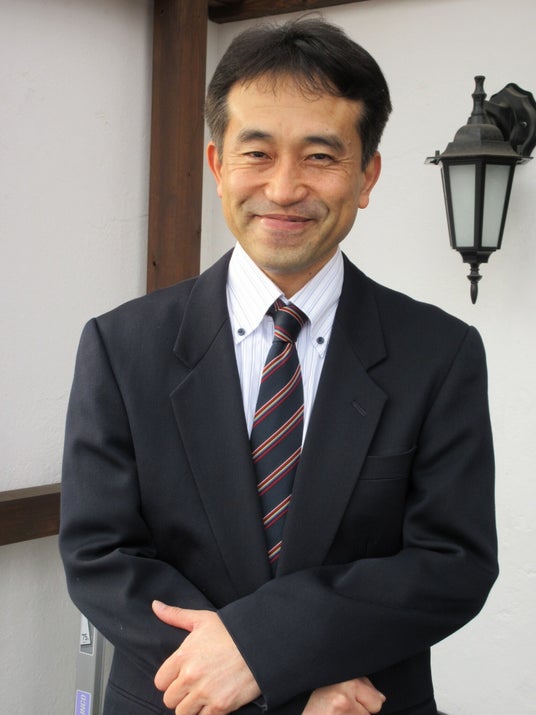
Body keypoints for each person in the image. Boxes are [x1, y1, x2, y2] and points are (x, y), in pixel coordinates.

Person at [59, 17, 498, 715]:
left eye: (320, 156)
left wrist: (264, 653)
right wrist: (280, 685)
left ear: (367, 175)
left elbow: (452, 562)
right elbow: (98, 553)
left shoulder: (439, 353)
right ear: (218, 166)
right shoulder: (122, 346)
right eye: (257, 153)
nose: (285, 187)